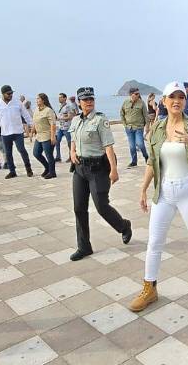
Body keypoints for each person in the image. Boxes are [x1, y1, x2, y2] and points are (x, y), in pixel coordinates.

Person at [129, 81, 188, 312]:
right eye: (172, 97)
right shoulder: (158, 129)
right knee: (154, 242)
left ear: (185, 100)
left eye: (181, 97)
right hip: (164, 192)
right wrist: (143, 189)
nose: (177, 101)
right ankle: (149, 288)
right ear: (164, 101)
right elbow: (153, 161)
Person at [68, 87, 133, 261]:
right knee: (78, 208)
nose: (89, 102)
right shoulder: (75, 120)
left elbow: (108, 146)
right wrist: (72, 153)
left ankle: (124, 226)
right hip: (80, 169)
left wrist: (114, 169)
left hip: (98, 169)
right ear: (79, 102)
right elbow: (73, 139)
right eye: (85, 99)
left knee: (101, 206)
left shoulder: (100, 120)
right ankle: (84, 246)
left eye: (91, 99)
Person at [0, 85, 34, 179]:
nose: (10, 95)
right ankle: (12, 171)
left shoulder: (17, 103)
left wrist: (31, 125)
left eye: (11, 93)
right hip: (5, 133)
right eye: (8, 94)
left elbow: (26, 115)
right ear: (3, 94)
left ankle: (28, 169)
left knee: (22, 150)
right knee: (8, 153)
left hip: (18, 132)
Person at [120, 87, 150, 168]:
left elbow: (146, 116)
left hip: (138, 128)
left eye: (138, 94)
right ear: (131, 94)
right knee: (132, 146)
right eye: (136, 94)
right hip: (129, 128)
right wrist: (125, 124)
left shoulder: (141, 103)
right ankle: (134, 161)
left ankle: (146, 156)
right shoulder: (125, 103)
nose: (138, 95)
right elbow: (122, 114)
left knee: (140, 144)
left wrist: (147, 127)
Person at [31, 93, 57, 179]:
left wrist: (53, 137)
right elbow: (34, 122)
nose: (36, 100)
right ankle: (47, 168)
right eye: (36, 98)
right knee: (36, 153)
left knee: (49, 155)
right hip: (39, 136)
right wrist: (32, 132)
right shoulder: (36, 110)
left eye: (38, 98)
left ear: (43, 100)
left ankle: (52, 172)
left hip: (48, 135)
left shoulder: (49, 110)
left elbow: (53, 125)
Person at [56, 93, 77, 163]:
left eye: (61, 97)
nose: (59, 99)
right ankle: (58, 157)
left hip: (67, 127)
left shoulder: (68, 106)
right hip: (60, 127)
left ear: (65, 98)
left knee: (69, 143)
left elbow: (71, 116)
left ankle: (71, 157)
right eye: (59, 97)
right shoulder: (60, 106)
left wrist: (60, 118)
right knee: (57, 141)